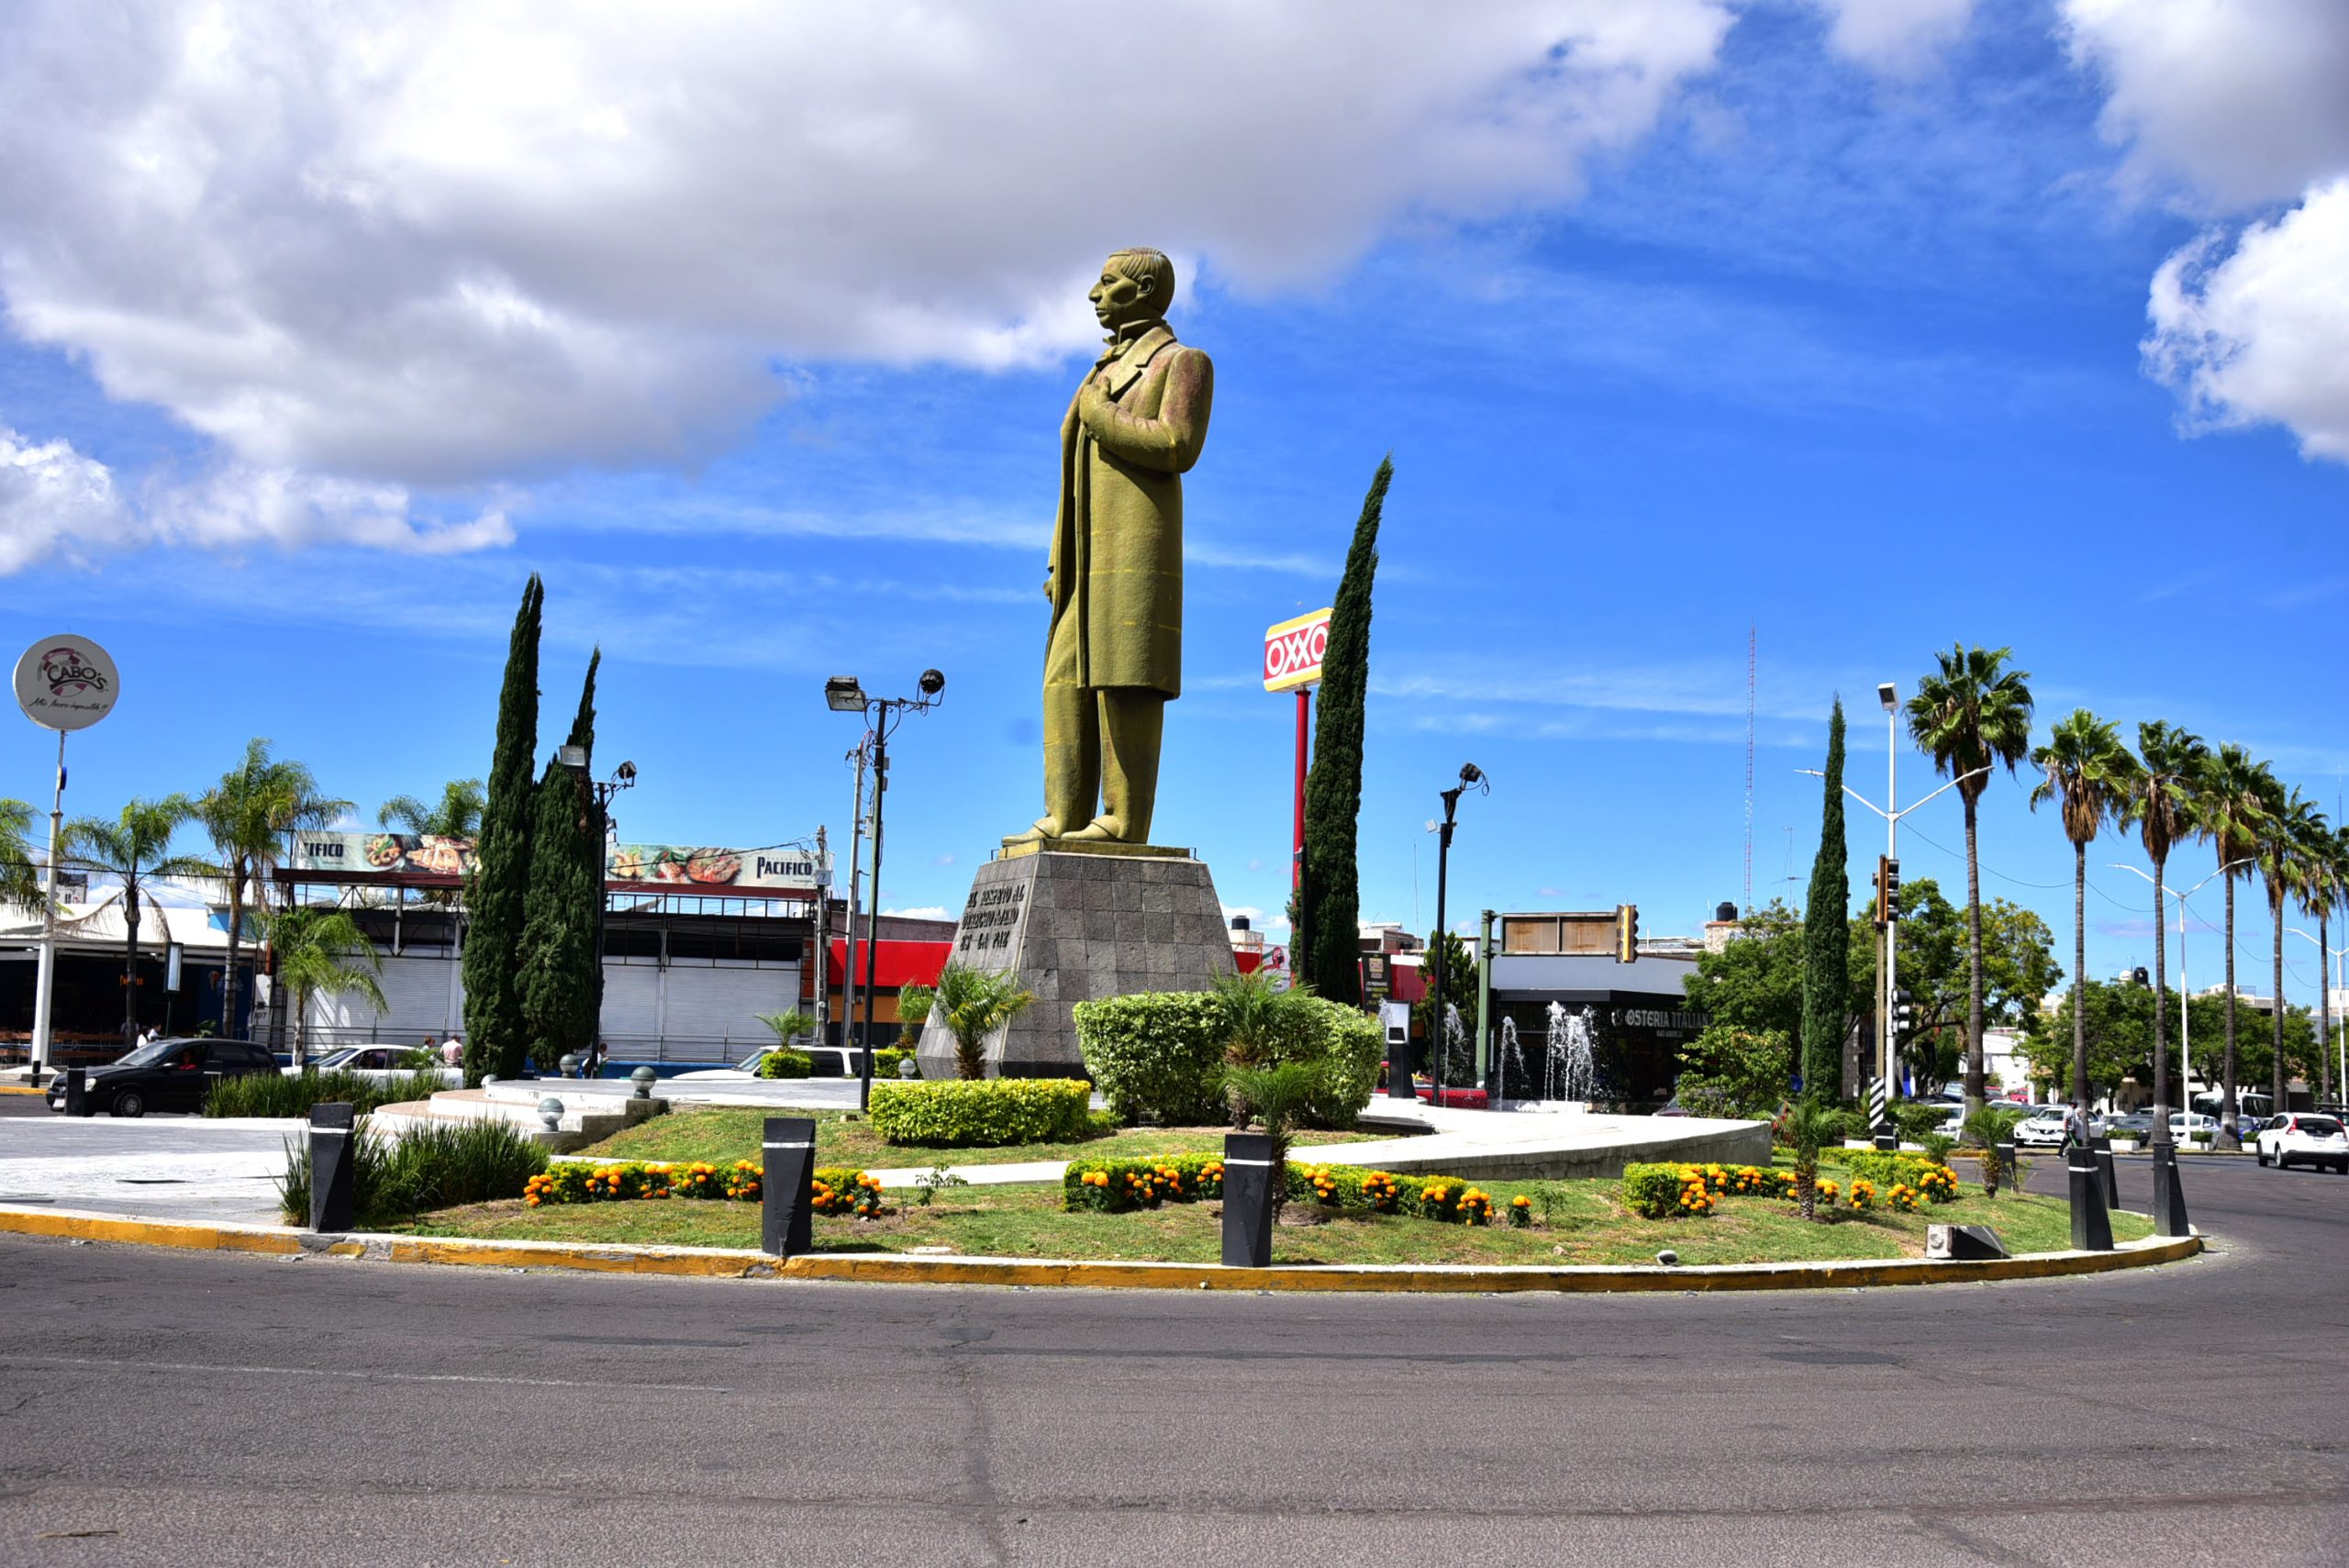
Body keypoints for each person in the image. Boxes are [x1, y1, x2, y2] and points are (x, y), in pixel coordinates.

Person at [1008, 247, 1213, 848]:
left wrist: (1100, 415)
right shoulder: (1097, 372)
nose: (1094, 296)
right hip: (1081, 561)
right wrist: (1057, 555)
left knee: (1126, 677)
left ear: (1146, 291)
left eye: (1107, 283)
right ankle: (1064, 813)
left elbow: (1179, 443)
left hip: (1135, 551)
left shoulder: (1182, 362)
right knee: (1063, 678)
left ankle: (1123, 818)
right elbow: (1072, 478)